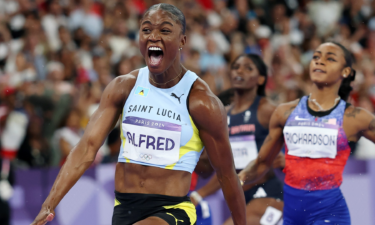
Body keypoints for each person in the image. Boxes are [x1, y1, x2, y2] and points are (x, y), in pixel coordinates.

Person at [31, 3, 246, 225]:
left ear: (183, 40)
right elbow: (86, 148)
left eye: (164, 30)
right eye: (146, 29)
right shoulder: (123, 87)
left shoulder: (202, 102)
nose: (153, 36)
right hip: (124, 209)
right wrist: (48, 205)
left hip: (172, 211)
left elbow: (227, 174)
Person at [238, 42, 375, 224]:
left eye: (330, 58)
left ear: (345, 72)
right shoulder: (284, 112)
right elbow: (262, 163)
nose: (320, 62)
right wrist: (237, 180)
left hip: (330, 215)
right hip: (293, 215)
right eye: (316, 57)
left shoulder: (355, 118)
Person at [190, 54, 284, 225]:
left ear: (261, 79)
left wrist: (288, 159)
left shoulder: (267, 110)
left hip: (268, 195)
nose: (240, 71)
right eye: (236, 67)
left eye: (248, 68)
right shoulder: (221, 115)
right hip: (238, 198)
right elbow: (217, 169)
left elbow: (298, 137)